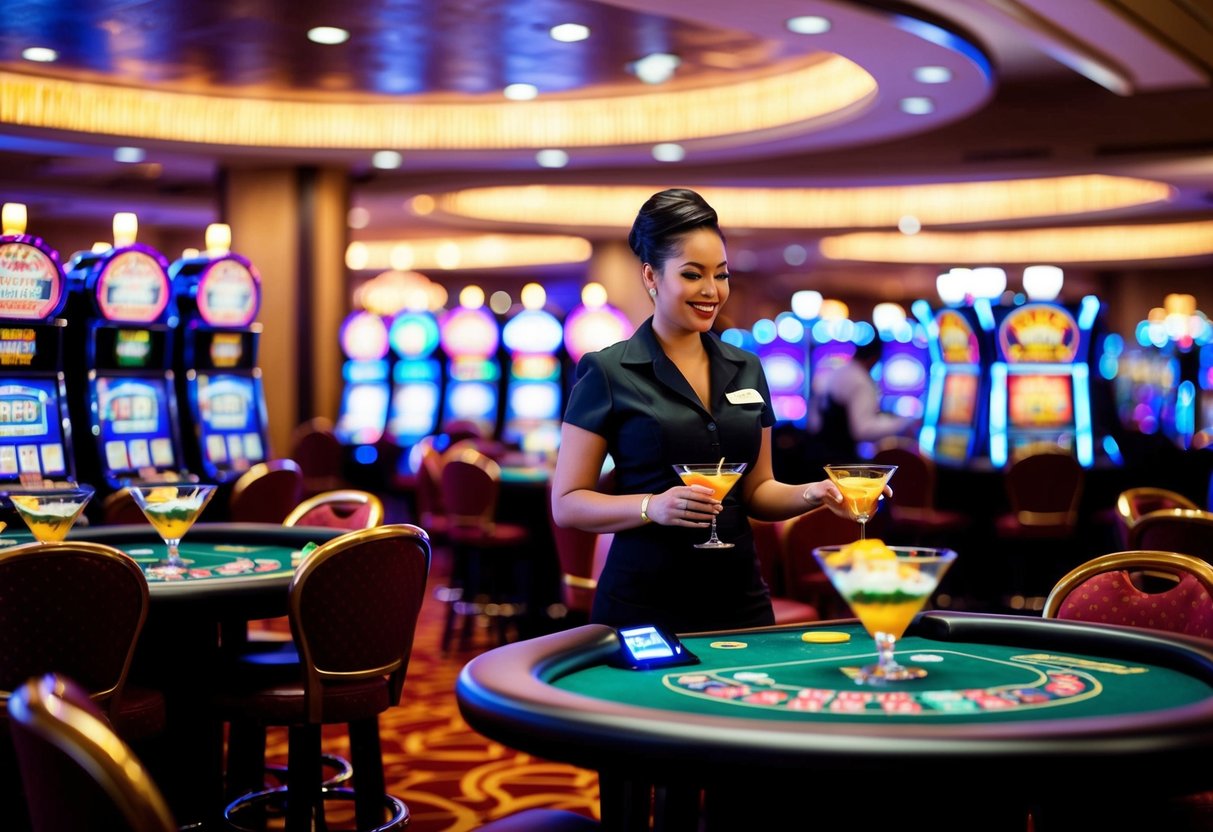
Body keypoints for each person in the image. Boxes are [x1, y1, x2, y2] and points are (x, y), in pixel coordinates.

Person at [549, 187, 858, 634]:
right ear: (651, 276)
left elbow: (757, 491)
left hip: (740, 598)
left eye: (722, 275)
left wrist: (814, 494)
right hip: (644, 603)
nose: (712, 291)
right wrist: (651, 507)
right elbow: (567, 504)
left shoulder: (747, 368)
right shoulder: (607, 371)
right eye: (693, 275)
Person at [804, 338, 918, 466]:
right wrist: (904, 422)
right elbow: (863, 430)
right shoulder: (860, 381)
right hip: (841, 459)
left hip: (818, 452)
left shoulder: (840, 370)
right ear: (875, 359)